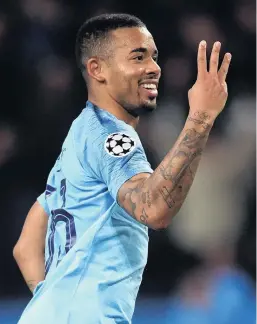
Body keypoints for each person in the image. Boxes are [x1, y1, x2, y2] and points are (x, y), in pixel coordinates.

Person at [13, 13, 232, 324]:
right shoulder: (111, 137)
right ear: (96, 69)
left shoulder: (78, 136)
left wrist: (53, 305)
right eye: (138, 57)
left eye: (154, 57)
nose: (154, 68)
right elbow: (152, 208)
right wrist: (202, 117)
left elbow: (26, 246)